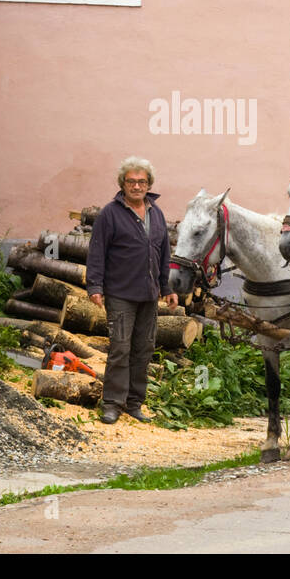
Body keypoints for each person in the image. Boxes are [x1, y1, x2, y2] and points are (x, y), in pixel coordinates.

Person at [86, 157, 179, 424]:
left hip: (149, 295)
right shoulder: (110, 214)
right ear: (122, 184)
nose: (136, 186)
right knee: (120, 348)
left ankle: (134, 403)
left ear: (149, 184)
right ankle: (113, 404)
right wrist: (95, 285)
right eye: (131, 181)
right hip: (120, 294)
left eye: (141, 181)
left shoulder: (156, 213)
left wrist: (167, 287)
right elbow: (97, 251)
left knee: (144, 349)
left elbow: (163, 254)